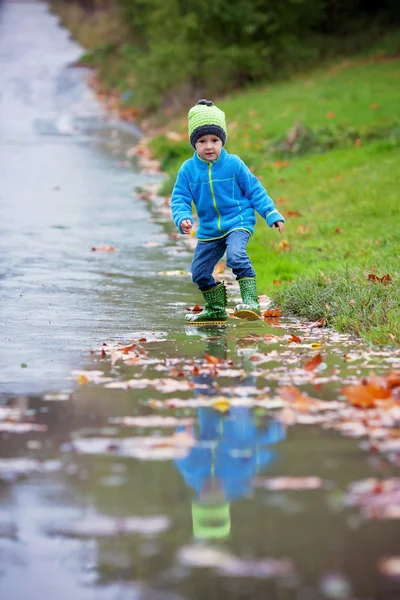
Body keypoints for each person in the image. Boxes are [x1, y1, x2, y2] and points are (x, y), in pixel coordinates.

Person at [170, 99, 285, 325]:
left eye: (214, 140)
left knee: (235, 256)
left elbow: (254, 190)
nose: (209, 146)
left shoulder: (234, 164)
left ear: (222, 140)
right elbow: (179, 198)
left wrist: (270, 213)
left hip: (238, 221)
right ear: (194, 143)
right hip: (210, 228)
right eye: (202, 141)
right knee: (199, 272)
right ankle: (215, 308)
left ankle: (250, 301)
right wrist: (182, 217)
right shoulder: (188, 170)